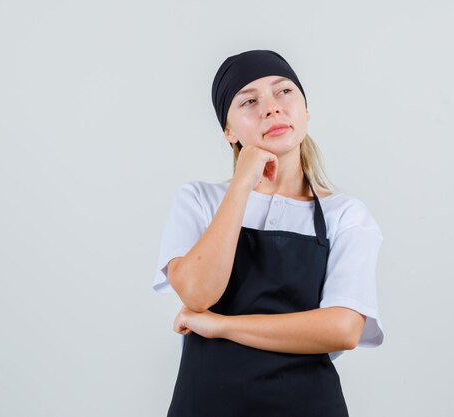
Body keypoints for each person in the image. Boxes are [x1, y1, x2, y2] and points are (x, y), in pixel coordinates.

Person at [152, 49, 384, 416]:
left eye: (284, 92)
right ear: (228, 131)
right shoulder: (198, 200)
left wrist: (221, 326)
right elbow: (197, 292)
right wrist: (243, 182)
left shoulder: (346, 215)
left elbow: (342, 329)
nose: (272, 108)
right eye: (249, 101)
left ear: (305, 111)